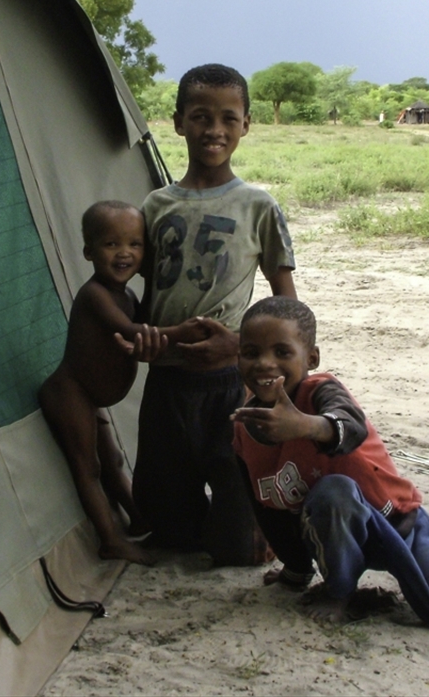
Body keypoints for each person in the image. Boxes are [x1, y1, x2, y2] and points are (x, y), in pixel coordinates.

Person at [231, 296, 429, 631]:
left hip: (395, 525)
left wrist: (306, 426)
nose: (265, 363)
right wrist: (295, 570)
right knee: (330, 501)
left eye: (282, 352)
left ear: (311, 357)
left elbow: (348, 426)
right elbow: (267, 509)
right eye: (252, 353)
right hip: (329, 536)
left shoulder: (321, 391)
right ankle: (340, 590)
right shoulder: (244, 427)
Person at [130, 64, 297, 566]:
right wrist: (142, 339)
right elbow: (142, 291)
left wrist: (237, 345)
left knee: (239, 548)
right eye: (201, 117)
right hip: (167, 382)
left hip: (229, 383)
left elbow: (287, 305)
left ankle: (250, 525)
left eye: (228, 118)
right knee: (168, 532)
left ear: (246, 124)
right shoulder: (154, 206)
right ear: (179, 122)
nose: (214, 130)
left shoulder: (258, 206)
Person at [39, 201, 167, 566]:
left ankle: (137, 516)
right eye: (111, 245)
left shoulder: (126, 294)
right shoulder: (95, 294)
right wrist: (183, 332)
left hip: (93, 397)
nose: (125, 253)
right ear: (89, 251)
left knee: (112, 459)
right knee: (90, 467)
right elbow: (133, 331)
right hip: (71, 392)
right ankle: (111, 539)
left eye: (135, 244)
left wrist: (153, 279)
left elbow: (146, 317)